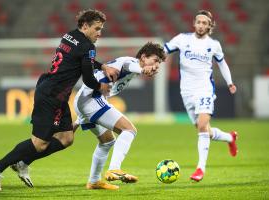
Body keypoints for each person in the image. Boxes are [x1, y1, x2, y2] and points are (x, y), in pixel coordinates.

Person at [0, 9, 119, 191]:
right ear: (85, 26)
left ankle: (23, 163)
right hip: (50, 96)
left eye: (101, 29)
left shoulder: (70, 36)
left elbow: (81, 59)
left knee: (66, 138)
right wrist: (101, 87)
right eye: (97, 28)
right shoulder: (88, 47)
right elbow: (88, 78)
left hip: (55, 92)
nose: (99, 33)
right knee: (39, 143)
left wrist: (102, 65)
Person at [73, 42, 166, 190]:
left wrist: (79, 120)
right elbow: (129, 66)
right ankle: (114, 168)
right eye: (155, 60)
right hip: (91, 99)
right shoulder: (131, 62)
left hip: (86, 100)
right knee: (129, 130)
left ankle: (94, 181)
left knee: (107, 142)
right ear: (143, 56)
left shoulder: (133, 67)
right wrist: (143, 69)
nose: (156, 65)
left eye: (159, 63)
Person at [164, 10, 238, 182]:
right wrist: (153, 60)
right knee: (204, 130)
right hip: (186, 92)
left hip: (204, 89)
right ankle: (229, 137)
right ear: (194, 23)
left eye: (205, 23)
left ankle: (200, 169)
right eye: (199, 22)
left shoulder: (214, 45)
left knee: (203, 124)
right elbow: (165, 51)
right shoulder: (182, 39)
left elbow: (222, 64)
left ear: (209, 26)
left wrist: (230, 82)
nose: (201, 25)